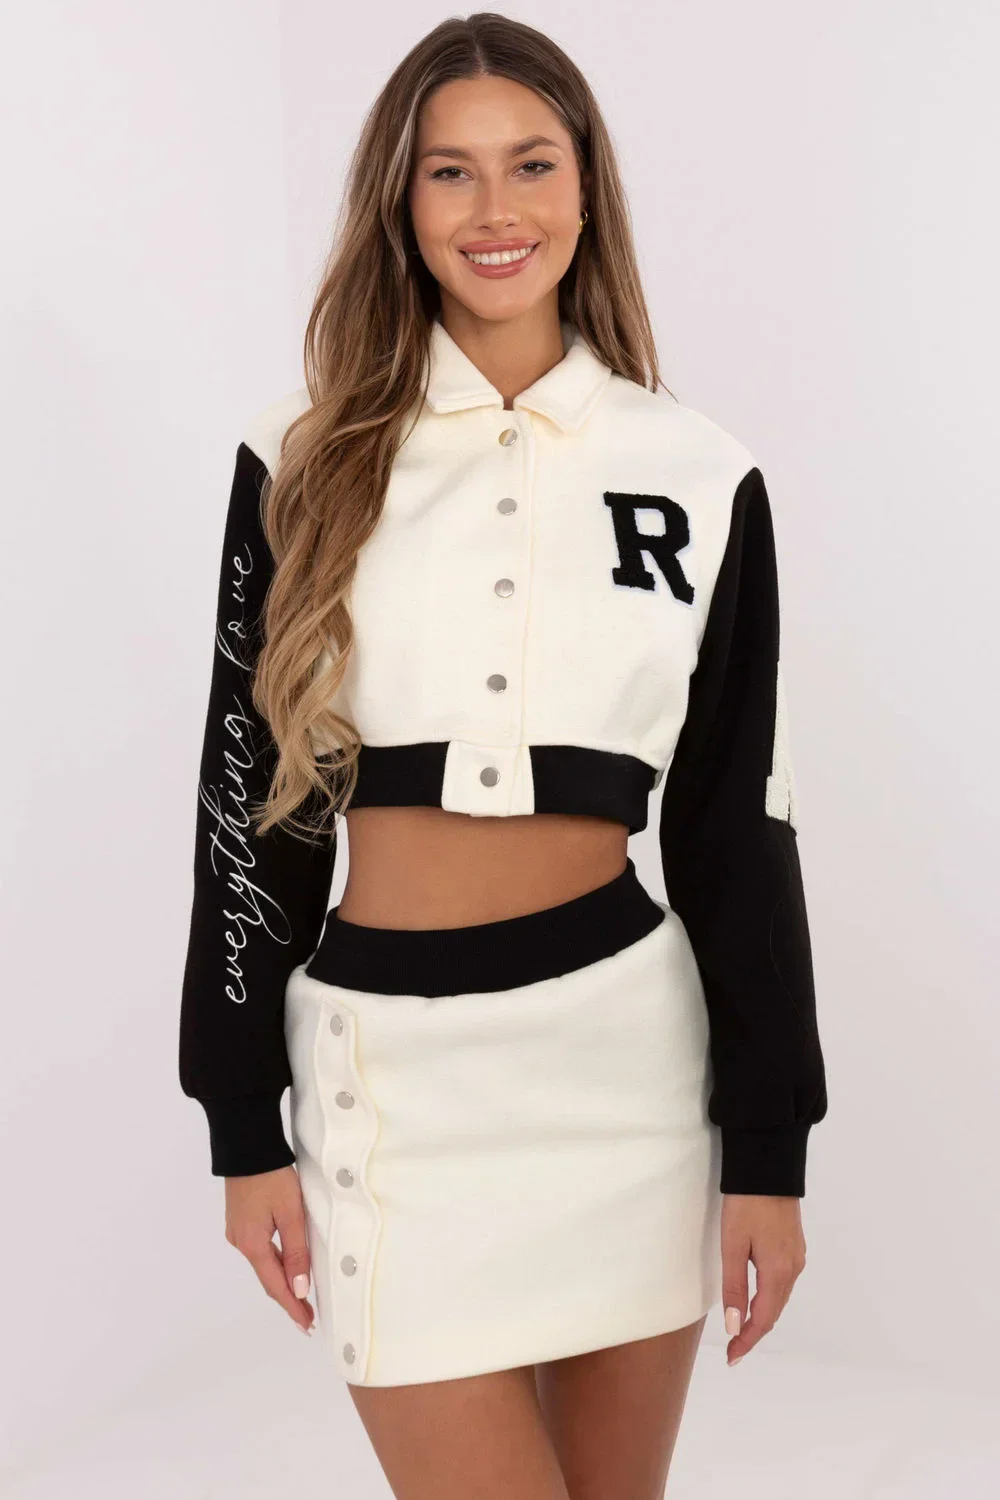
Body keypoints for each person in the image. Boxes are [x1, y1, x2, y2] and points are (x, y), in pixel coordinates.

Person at [178, 12, 828, 1497]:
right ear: (400, 203)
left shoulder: (697, 471)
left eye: (532, 164)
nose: (495, 209)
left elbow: (738, 828)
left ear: (587, 187)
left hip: (628, 1077)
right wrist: (240, 1123)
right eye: (449, 171)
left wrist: (768, 1150)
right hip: (392, 1085)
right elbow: (245, 807)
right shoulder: (303, 460)